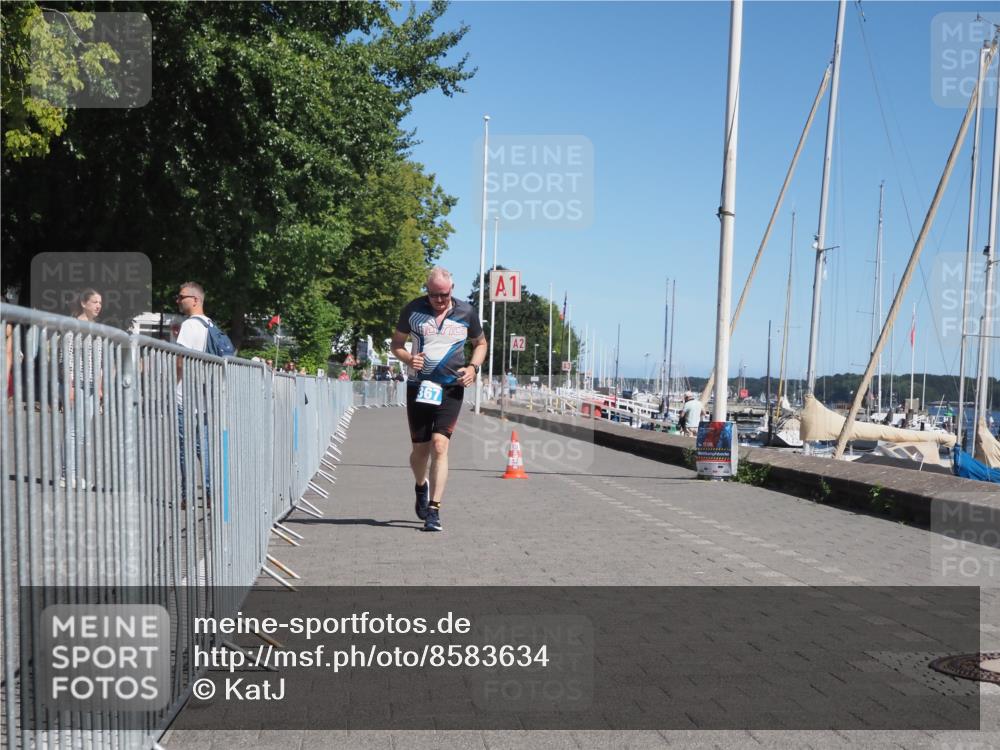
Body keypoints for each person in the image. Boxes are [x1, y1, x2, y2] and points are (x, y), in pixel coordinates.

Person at [390, 266, 487, 532]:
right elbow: (396, 344)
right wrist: (409, 358)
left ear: (452, 289)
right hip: (419, 387)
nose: (439, 300)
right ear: (427, 290)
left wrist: (473, 368)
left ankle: (434, 510)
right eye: (434, 295)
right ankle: (420, 485)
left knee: (440, 445)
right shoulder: (413, 310)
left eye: (444, 295)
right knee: (420, 451)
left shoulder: (466, 312)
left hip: (451, 388)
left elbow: (481, 343)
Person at [175, 282, 214, 505]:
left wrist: (174, 383)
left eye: (182, 297)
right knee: (203, 445)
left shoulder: (189, 325)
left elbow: (180, 359)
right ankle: (209, 492)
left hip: (186, 394)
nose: (178, 301)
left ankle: (187, 494)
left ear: (195, 300)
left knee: (185, 447)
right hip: (203, 395)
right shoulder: (210, 324)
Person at [64, 289, 104, 488]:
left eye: (100, 302)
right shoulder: (73, 326)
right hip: (77, 383)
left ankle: (74, 474)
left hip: (91, 385)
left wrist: (99, 385)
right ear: (83, 303)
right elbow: (67, 358)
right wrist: (70, 386)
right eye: (94, 302)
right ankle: (66, 474)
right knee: (73, 430)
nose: (98, 306)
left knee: (82, 433)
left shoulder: (97, 328)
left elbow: (99, 360)